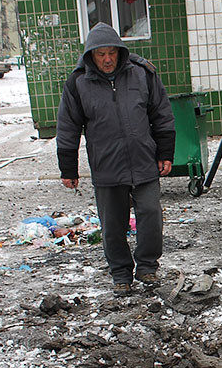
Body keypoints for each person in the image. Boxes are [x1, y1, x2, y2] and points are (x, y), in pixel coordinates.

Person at [56, 23, 175, 295]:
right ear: (90, 56)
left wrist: (165, 152)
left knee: (150, 215)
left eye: (111, 53)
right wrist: (68, 167)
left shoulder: (143, 74)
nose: (107, 59)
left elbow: (161, 114)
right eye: (100, 55)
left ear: (120, 52)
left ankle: (147, 266)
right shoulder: (78, 83)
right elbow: (68, 127)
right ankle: (121, 272)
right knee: (112, 224)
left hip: (144, 161)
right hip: (106, 166)